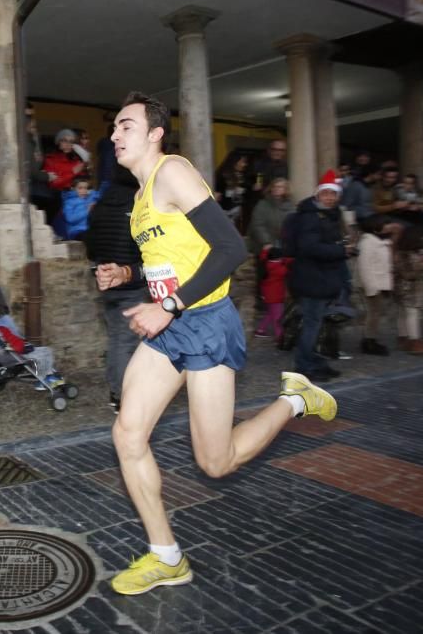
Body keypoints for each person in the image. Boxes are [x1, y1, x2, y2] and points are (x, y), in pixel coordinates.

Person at [96, 92, 336, 597]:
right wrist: (129, 272)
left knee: (216, 461)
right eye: (114, 128)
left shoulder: (173, 172)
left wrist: (169, 306)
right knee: (127, 433)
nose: (115, 135)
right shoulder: (140, 200)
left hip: (203, 322)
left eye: (125, 126)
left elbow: (229, 249)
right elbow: (176, 255)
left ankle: (295, 398)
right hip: (171, 325)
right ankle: (166, 556)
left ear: (156, 132)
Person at [84, 163, 147, 412]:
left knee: (117, 337)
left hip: (105, 279)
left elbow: (90, 243)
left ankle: (119, 391)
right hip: (131, 280)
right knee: (125, 341)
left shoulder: (99, 206)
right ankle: (122, 396)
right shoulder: (138, 206)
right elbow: (143, 246)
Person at [288, 169, 353, 381]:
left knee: (315, 324)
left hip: (321, 278)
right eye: (326, 194)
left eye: (333, 194)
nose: (329, 198)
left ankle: (314, 361)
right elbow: (309, 247)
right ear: (318, 195)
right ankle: (304, 364)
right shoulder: (311, 217)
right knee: (312, 324)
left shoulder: (328, 215)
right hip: (312, 279)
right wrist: (341, 251)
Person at [356, 215, 393, 356]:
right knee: (373, 314)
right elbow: (365, 267)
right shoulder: (368, 243)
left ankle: (371, 339)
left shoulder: (381, 241)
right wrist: (371, 288)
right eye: (385, 223)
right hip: (371, 285)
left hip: (379, 284)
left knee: (375, 313)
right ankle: (368, 341)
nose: (388, 226)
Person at [394, 225, 423, 354]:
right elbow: (407, 274)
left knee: (403, 313)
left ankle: (403, 338)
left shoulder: (415, 252)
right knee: (411, 313)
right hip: (408, 289)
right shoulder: (403, 254)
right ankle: (414, 341)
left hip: (406, 289)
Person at [41, 128, 86, 228]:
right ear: (58, 142)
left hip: (73, 197)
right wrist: (72, 172)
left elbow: (82, 182)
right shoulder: (50, 159)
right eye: (64, 140)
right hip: (57, 197)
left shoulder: (76, 160)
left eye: (71, 142)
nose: (68, 144)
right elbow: (54, 183)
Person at [247, 177, 294, 255]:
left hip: (285, 246)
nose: (276, 189)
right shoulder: (262, 204)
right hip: (264, 246)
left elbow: (294, 225)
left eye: (279, 187)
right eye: (274, 186)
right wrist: (266, 242)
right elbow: (257, 225)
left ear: (286, 189)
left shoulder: (291, 206)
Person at [254, 244, 290, 340]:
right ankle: (280, 336)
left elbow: (263, 257)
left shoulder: (265, 263)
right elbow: (287, 268)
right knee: (278, 317)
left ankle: (260, 330)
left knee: (270, 313)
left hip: (267, 295)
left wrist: (265, 250)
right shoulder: (279, 269)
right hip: (276, 297)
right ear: (279, 258)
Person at [213, 151, 250, 231]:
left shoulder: (243, 176)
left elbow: (245, 194)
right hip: (223, 213)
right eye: (242, 162)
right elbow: (217, 193)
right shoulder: (222, 175)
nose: (244, 165)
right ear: (235, 162)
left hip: (237, 213)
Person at [62, 176, 100, 241]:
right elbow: (70, 219)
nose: (83, 191)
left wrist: (92, 192)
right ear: (73, 189)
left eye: (86, 188)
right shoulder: (69, 202)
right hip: (76, 231)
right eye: (80, 188)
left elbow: (101, 196)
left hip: (89, 230)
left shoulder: (88, 199)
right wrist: (87, 210)